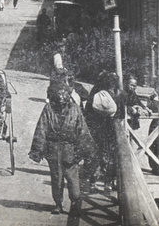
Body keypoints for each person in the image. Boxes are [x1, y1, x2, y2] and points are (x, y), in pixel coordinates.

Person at [29, 82, 96, 217]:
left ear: (69, 95)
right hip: (53, 149)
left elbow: (82, 130)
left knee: (72, 179)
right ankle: (58, 204)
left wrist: (86, 150)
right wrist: (37, 150)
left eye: (64, 94)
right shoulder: (48, 109)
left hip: (70, 149)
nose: (61, 97)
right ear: (53, 95)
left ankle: (74, 203)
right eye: (58, 94)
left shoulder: (75, 109)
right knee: (56, 178)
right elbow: (41, 128)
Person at [84, 71, 121, 192]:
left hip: (96, 128)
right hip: (110, 128)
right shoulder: (117, 93)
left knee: (95, 155)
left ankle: (93, 183)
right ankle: (108, 183)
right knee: (110, 156)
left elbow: (88, 111)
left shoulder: (95, 91)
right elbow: (121, 113)